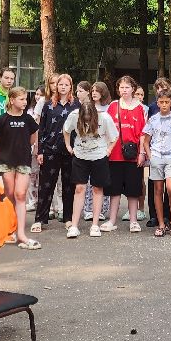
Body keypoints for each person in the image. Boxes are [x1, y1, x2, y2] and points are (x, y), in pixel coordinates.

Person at [0, 86, 40, 249]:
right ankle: (10, 228)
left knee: (20, 195)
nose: (24, 102)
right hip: (6, 162)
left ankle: (21, 233)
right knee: (10, 193)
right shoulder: (2, 120)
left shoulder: (28, 119)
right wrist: (6, 153)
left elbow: (33, 139)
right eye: (21, 99)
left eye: (25, 99)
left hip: (23, 161)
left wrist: (22, 149)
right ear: (12, 100)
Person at [69, 81, 119, 239]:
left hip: (99, 156)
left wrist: (108, 150)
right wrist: (69, 147)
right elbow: (65, 130)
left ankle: (95, 225)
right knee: (79, 189)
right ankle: (74, 225)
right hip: (80, 156)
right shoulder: (74, 115)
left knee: (98, 189)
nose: (87, 120)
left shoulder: (105, 117)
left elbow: (114, 136)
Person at [33, 73, 77, 233]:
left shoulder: (76, 105)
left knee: (68, 186)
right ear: (56, 86)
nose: (63, 87)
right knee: (46, 186)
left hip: (70, 151)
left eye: (66, 84)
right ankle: (40, 219)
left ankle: (68, 218)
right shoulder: (48, 105)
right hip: (50, 150)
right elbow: (41, 129)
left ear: (71, 87)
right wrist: (40, 150)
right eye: (60, 84)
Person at [103, 77, 147, 232]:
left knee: (133, 190)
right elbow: (106, 130)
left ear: (133, 89)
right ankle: (112, 220)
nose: (124, 90)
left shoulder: (140, 108)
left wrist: (142, 152)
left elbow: (143, 133)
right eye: (121, 87)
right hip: (114, 154)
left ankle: (134, 221)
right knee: (114, 190)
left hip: (133, 155)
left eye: (127, 87)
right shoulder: (113, 106)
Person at [143, 89, 171, 236]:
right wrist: (151, 156)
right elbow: (146, 141)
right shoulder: (153, 119)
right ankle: (161, 224)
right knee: (157, 190)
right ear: (157, 103)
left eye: (167, 102)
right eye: (161, 102)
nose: (164, 105)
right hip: (157, 156)